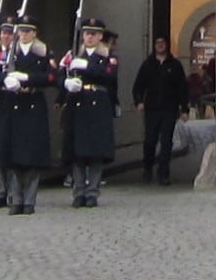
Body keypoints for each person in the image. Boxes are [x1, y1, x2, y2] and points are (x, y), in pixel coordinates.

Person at [0, 14, 53, 214]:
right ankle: (16, 199)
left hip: (33, 104)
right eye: (21, 31)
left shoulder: (43, 54)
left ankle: (29, 200)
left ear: (34, 33)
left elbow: (52, 76)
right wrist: (4, 78)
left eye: (28, 31)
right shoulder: (9, 54)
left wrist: (27, 78)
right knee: (11, 156)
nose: (24, 34)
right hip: (12, 106)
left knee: (32, 157)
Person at [59, 19, 120, 206]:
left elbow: (109, 74)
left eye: (94, 34)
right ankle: (78, 192)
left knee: (95, 151)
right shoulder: (73, 54)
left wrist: (86, 66)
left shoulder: (108, 55)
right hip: (77, 102)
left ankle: (92, 192)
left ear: (100, 36)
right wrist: (66, 82)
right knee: (77, 152)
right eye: (87, 34)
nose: (90, 37)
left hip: (98, 104)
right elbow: (58, 74)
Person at [132, 34, 188, 183]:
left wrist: (184, 109)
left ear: (167, 45)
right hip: (152, 109)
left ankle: (164, 173)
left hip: (169, 109)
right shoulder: (148, 65)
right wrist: (138, 101)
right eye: (158, 42)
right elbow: (138, 85)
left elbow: (182, 88)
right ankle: (147, 167)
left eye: (163, 42)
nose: (160, 45)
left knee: (166, 141)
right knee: (150, 141)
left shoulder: (175, 65)